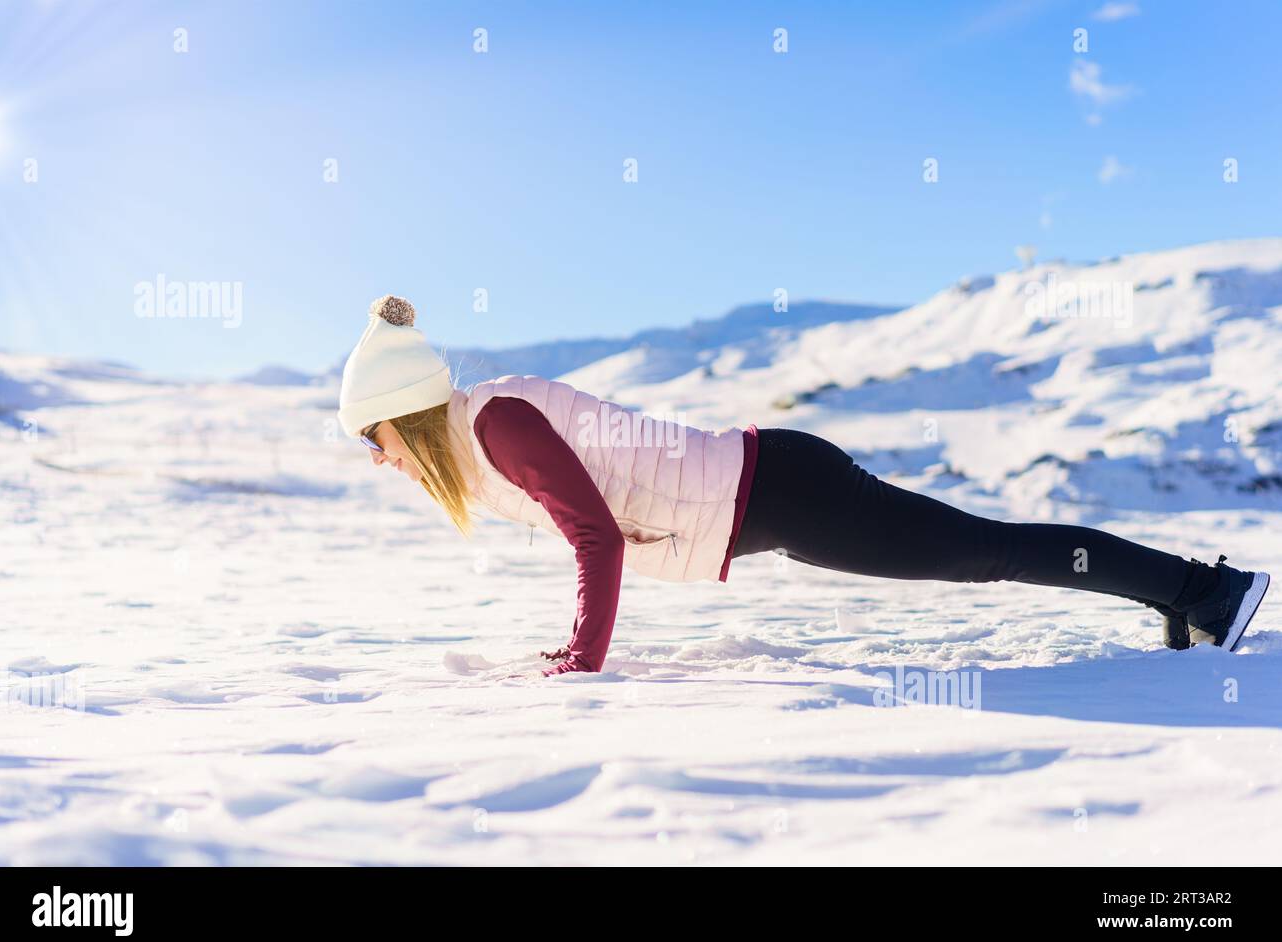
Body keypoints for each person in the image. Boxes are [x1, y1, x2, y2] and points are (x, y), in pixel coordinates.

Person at [338, 295, 1271, 675]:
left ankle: (1205, 590)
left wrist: (583, 656)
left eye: (373, 438)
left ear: (403, 412)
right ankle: (1190, 593)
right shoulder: (480, 434)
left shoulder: (496, 423)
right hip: (774, 494)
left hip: (782, 489)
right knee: (982, 549)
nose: (378, 458)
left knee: (984, 553)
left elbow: (592, 532)